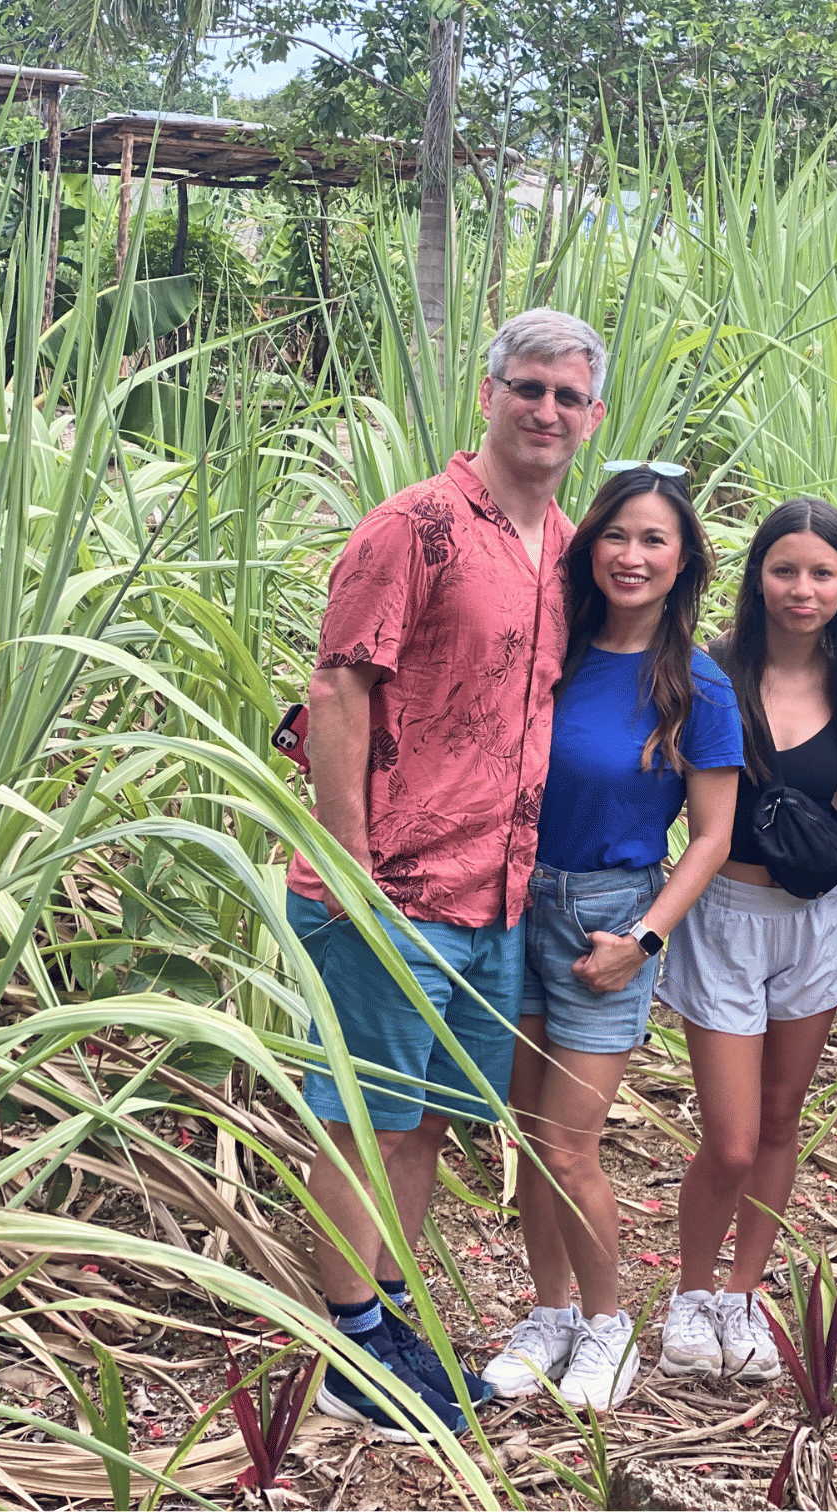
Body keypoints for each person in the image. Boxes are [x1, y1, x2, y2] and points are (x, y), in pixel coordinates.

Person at [285, 309, 608, 1437]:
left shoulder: (569, 550)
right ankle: (345, 1352)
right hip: (391, 890)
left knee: (419, 1122)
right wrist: (351, 866)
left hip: (496, 895)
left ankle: (378, 1319)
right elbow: (338, 690)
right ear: (490, 393)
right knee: (361, 1118)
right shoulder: (415, 525)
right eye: (529, 387)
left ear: (593, 416)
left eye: (569, 397)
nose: (547, 411)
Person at [481, 465, 743, 1411]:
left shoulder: (697, 685)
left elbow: (712, 835)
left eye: (655, 541)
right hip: (511, 902)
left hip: (610, 914)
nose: (632, 556)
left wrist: (644, 937)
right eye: (617, 536)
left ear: (683, 562)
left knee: (569, 1143)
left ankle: (605, 1323)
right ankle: (548, 1314)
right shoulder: (553, 649)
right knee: (525, 1132)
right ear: (590, 547)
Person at [655, 498, 837, 1385]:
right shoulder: (711, 674)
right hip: (725, 919)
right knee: (733, 1137)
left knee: (783, 1119)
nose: (803, 589)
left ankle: (743, 1295)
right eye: (785, 570)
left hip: (819, 923)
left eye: (824, 573)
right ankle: (691, 1291)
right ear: (757, 578)